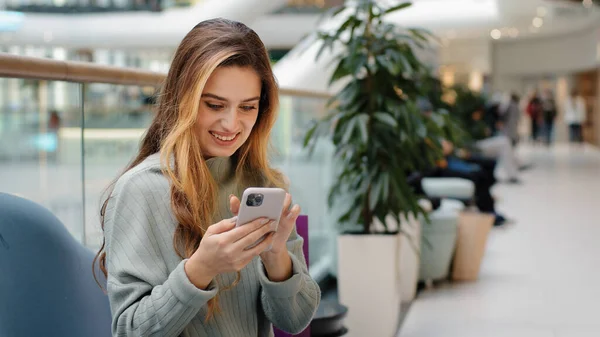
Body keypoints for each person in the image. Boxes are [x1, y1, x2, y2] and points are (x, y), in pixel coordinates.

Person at [93, 19, 321, 337]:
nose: (231, 124)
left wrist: (276, 255)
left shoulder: (262, 184)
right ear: (184, 98)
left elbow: (295, 320)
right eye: (215, 105)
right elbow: (129, 331)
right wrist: (202, 268)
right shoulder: (139, 190)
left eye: (247, 107)